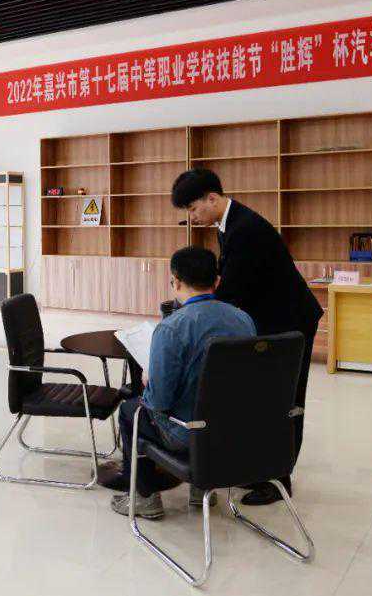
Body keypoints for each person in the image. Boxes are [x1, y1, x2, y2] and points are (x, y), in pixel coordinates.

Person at [171, 168, 323, 506]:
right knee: (263, 397)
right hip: (269, 319)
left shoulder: (246, 230)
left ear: (212, 198)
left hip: (290, 323)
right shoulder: (229, 224)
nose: (192, 217)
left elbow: (231, 290)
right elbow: (230, 283)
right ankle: (259, 468)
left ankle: (279, 478)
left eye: (193, 209)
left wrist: (194, 310)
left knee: (284, 400)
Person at [102, 246, 256, 519]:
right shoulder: (243, 320)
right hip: (234, 428)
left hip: (187, 433)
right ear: (217, 281)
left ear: (175, 282)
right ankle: (201, 488)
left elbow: (159, 402)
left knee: (130, 411)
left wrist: (149, 380)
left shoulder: (172, 328)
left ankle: (145, 498)